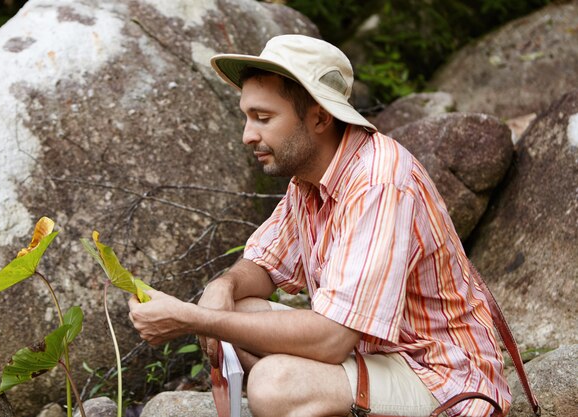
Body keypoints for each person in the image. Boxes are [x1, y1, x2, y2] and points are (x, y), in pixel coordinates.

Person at [128, 34, 511, 417]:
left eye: (263, 118)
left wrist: (192, 318)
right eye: (247, 117)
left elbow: (331, 340)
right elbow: (263, 266)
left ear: (320, 118)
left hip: (442, 376)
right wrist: (221, 286)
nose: (248, 135)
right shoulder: (308, 178)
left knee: (274, 385)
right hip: (375, 355)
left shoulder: (378, 182)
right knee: (237, 311)